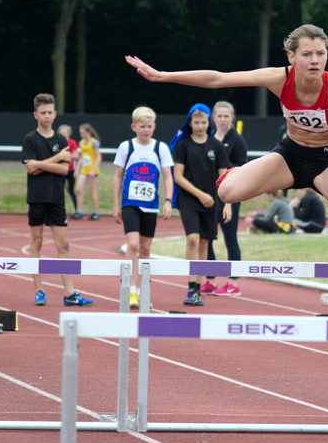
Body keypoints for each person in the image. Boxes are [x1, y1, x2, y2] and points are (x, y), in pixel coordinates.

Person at [126, 23, 328, 300]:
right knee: (226, 193)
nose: (314, 60)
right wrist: (163, 76)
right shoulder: (279, 79)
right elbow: (218, 79)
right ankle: (241, 173)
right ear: (292, 56)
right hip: (291, 155)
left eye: (320, 54)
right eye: (307, 54)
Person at [21, 93, 94, 307]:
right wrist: (55, 159)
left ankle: (69, 293)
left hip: (56, 198)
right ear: (35, 115)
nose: (46, 116)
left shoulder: (61, 140)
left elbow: (64, 170)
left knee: (63, 243)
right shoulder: (29, 139)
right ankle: (39, 290)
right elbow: (31, 169)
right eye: (42, 113)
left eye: (50, 112)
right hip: (36, 198)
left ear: (55, 114)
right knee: (37, 242)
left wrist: (41, 164)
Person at [112, 106, 174, 309]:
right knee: (133, 246)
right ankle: (130, 291)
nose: (146, 130)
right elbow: (117, 175)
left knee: (146, 249)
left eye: (149, 126)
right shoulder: (126, 147)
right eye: (142, 126)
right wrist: (116, 204)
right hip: (130, 203)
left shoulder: (161, 148)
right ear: (134, 127)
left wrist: (168, 200)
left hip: (151, 205)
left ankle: (142, 291)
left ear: (154, 127)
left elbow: (167, 175)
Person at [171, 103, 231, 306]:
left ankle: (197, 286)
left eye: (203, 122)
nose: (199, 126)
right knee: (193, 240)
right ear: (190, 123)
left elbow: (225, 177)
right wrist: (199, 194)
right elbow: (177, 176)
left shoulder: (216, 146)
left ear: (209, 123)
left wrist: (228, 203)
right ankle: (190, 287)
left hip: (211, 202)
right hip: (189, 200)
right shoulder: (183, 145)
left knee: (205, 242)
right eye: (196, 122)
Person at [200, 101, 248, 297]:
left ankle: (233, 282)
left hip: (230, 196)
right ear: (213, 118)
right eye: (219, 116)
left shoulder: (237, 140)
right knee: (208, 237)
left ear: (232, 118)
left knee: (230, 237)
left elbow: (241, 170)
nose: (222, 119)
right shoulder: (207, 138)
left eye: (226, 116)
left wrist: (229, 202)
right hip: (208, 197)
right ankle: (210, 280)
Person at [73, 123, 102, 220]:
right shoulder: (81, 142)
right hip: (84, 170)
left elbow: (98, 157)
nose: (81, 135)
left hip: (92, 171)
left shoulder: (94, 142)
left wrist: (94, 169)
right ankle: (79, 211)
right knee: (78, 189)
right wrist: (77, 170)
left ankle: (96, 212)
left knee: (92, 191)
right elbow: (81, 157)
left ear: (88, 132)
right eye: (80, 133)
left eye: (83, 133)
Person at [57, 124, 80, 213]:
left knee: (71, 190)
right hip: (59, 169)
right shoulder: (57, 142)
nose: (64, 135)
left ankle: (77, 209)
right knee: (59, 190)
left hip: (70, 170)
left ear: (69, 134)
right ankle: (60, 209)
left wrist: (65, 156)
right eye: (62, 133)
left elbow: (76, 155)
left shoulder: (71, 142)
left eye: (65, 133)